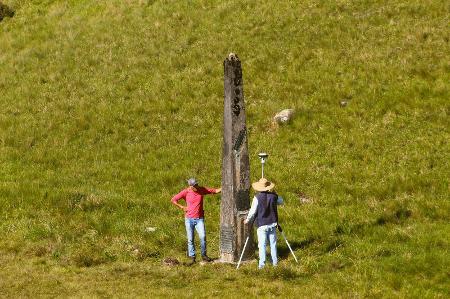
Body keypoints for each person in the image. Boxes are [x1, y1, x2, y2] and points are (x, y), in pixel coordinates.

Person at [171, 178, 221, 265]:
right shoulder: (185, 192)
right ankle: (192, 258)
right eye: (194, 185)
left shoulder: (201, 190)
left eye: (197, 184)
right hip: (189, 219)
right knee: (190, 239)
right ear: (190, 186)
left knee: (203, 236)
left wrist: (225, 186)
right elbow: (173, 199)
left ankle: (204, 255)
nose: (196, 186)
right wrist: (182, 207)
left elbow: (215, 191)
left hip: (199, 219)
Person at [244, 177, 283, 269]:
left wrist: (247, 220)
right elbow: (281, 201)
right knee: (273, 244)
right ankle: (275, 263)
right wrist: (275, 194)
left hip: (262, 225)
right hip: (272, 223)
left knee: (262, 245)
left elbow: (253, 211)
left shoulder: (257, 198)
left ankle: (262, 265)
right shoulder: (273, 196)